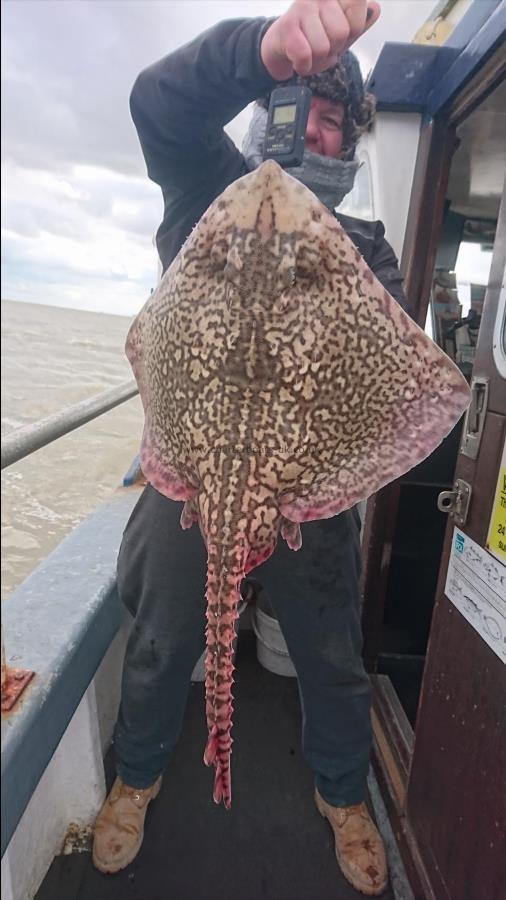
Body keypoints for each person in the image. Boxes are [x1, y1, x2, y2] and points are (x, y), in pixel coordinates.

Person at [93, 1, 412, 894]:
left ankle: (343, 792)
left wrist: (307, 482)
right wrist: (261, 47)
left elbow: (394, 394)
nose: (315, 134)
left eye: (331, 124)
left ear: (349, 142)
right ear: (265, 114)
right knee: (162, 637)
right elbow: (158, 104)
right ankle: (139, 773)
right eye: (299, 111)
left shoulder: (366, 252)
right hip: (186, 467)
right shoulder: (206, 192)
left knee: (332, 651)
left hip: (306, 491)